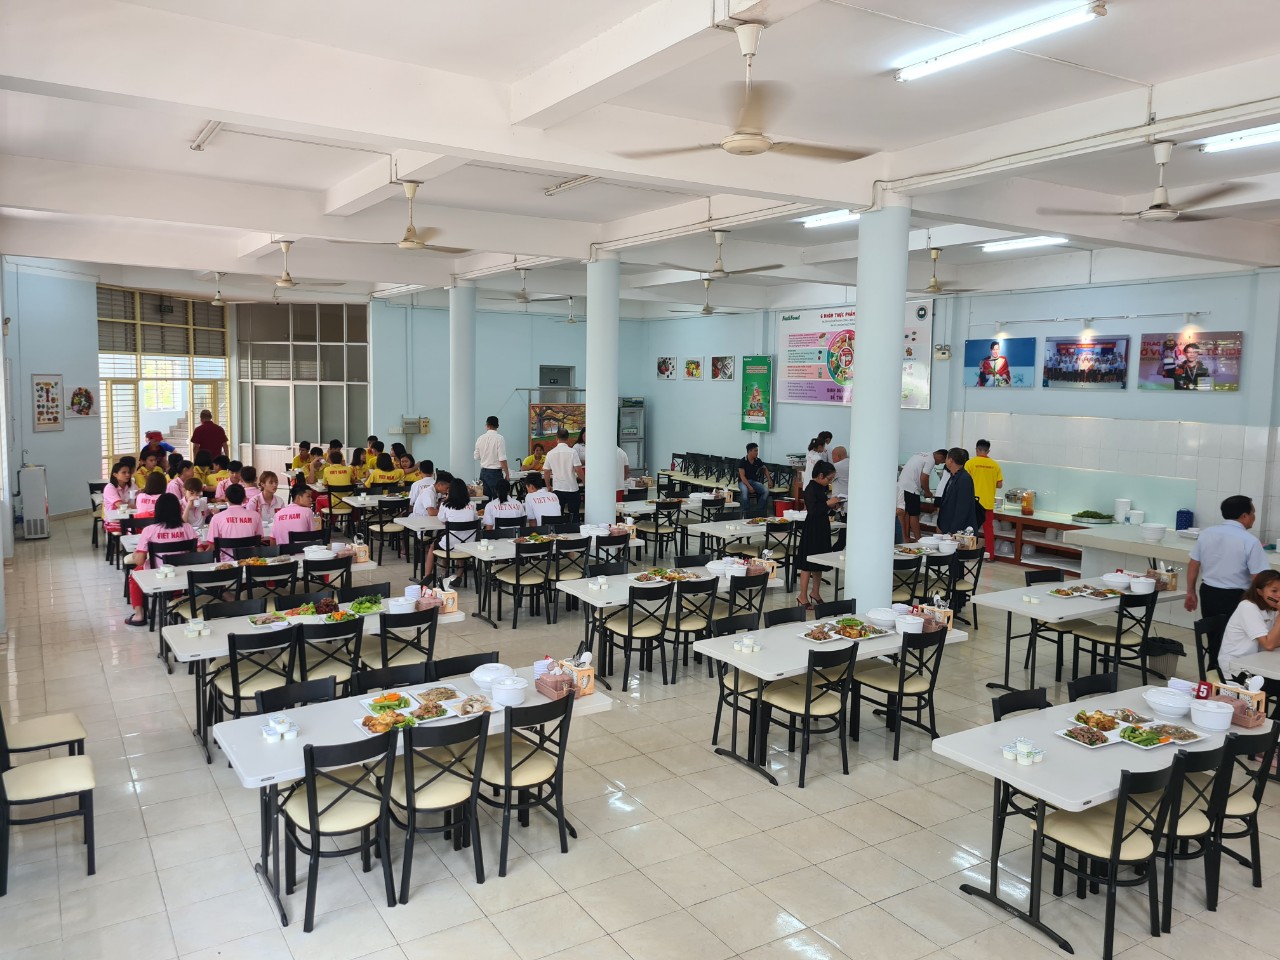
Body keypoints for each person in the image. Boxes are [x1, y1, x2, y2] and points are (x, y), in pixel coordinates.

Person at [1184, 495, 1270, 618]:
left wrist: (1190, 591)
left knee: (1212, 628)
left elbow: (1193, 564)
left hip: (1208, 592)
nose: (1254, 517)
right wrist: (1264, 602)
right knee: (1236, 630)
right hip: (1237, 596)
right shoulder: (1250, 541)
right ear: (1244, 516)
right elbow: (1258, 577)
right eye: (1253, 513)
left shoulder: (1206, 533)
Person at [124, 493, 197, 627]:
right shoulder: (187, 527)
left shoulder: (149, 530)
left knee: (134, 576)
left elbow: (140, 561)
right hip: (183, 574)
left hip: (157, 573)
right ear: (178, 509)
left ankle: (139, 615)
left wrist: (135, 555)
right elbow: (198, 553)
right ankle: (176, 601)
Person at [1218, 571, 1280, 695]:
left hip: (1258, 663)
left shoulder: (1272, 608)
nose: (1279, 595)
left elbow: (1275, 641)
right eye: (1274, 591)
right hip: (1236, 670)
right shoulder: (1248, 607)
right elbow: (1269, 645)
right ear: (1259, 591)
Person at [796, 461, 842, 609]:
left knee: (820, 561)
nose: (830, 482)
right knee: (807, 563)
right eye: (829, 479)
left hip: (822, 526)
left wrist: (833, 506)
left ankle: (815, 592)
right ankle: (802, 596)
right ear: (821, 475)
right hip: (812, 528)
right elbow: (813, 510)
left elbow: (822, 508)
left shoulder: (821, 488)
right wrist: (828, 504)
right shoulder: (810, 488)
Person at [423, 479, 478, 580]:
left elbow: (442, 520)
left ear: (450, 491)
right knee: (461, 540)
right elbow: (475, 519)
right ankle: (459, 574)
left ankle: (427, 575)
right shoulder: (472, 504)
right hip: (468, 545)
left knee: (433, 546)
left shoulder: (445, 505)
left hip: (450, 545)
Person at [965, 440, 1003, 559]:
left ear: (976, 450)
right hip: (988, 503)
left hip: (973, 502)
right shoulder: (995, 465)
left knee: (970, 528)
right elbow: (999, 484)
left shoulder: (970, 463)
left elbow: (964, 481)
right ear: (988, 451)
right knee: (988, 530)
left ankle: (968, 554)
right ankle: (990, 555)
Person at [897, 449, 946, 543]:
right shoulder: (931, 460)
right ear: (940, 456)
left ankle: (905, 538)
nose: (938, 464)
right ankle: (919, 540)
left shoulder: (921, 454)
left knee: (906, 513)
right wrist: (927, 492)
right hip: (911, 487)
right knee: (914, 514)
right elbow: (924, 478)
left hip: (902, 485)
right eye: (941, 461)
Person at [203, 483, 263, 558]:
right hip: (250, 561)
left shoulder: (216, 518)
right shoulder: (256, 516)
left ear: (226, 498)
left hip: (227, 563)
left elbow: (212, 546)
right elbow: (260, 540)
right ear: (245, 498)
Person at [543, 428, 583, 520]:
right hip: (572, 488)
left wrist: (548, 486)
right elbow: (578, 469)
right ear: (568, 438)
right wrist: (584, 481)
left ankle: (560, 528)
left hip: (557, 487)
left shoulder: (550, 453)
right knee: (574, 514)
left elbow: (546, 471)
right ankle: (573, 527)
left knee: (558, 514)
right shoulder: (572, 452)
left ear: (556, 438)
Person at [937, 447, 977, 534]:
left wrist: (953, 531)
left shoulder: (964, 478)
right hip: (948, 525)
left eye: (946, 458)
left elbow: (962, 508)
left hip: (957, 530)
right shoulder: (953, 476)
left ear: (950, 460)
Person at [474, 415, 510, 502]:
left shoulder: (480, 438)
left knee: (485, 499)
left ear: (486, 425)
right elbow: (502, 458)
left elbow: (476, 456)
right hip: (495, 473)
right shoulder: (499, 438)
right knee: (498, 499)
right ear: (498, 426)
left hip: (483, 472)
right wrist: (507, 473)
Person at [737, 442, 773, 519]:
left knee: (765, 491)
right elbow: (742, 477)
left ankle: (759, 511)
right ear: (749, 451)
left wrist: (769, 480)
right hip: (743, 482)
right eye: (755, 451)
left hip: (753, 482)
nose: (757, 453)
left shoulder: (757, 460)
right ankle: (746, 512)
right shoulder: (742, 461)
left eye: (757, 451)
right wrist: (749, 487)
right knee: (745, 491)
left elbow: (765, 469)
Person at [102, 461, 132, 533]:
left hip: (129, 516)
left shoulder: (131, 484)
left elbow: (139, 496)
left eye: (129, 472)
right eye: (124, 472)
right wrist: (137, 506)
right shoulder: (110, 488)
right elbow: (120, 505)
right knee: (135, 529)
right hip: (114, 520)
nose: (128, 475)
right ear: (115, 474)